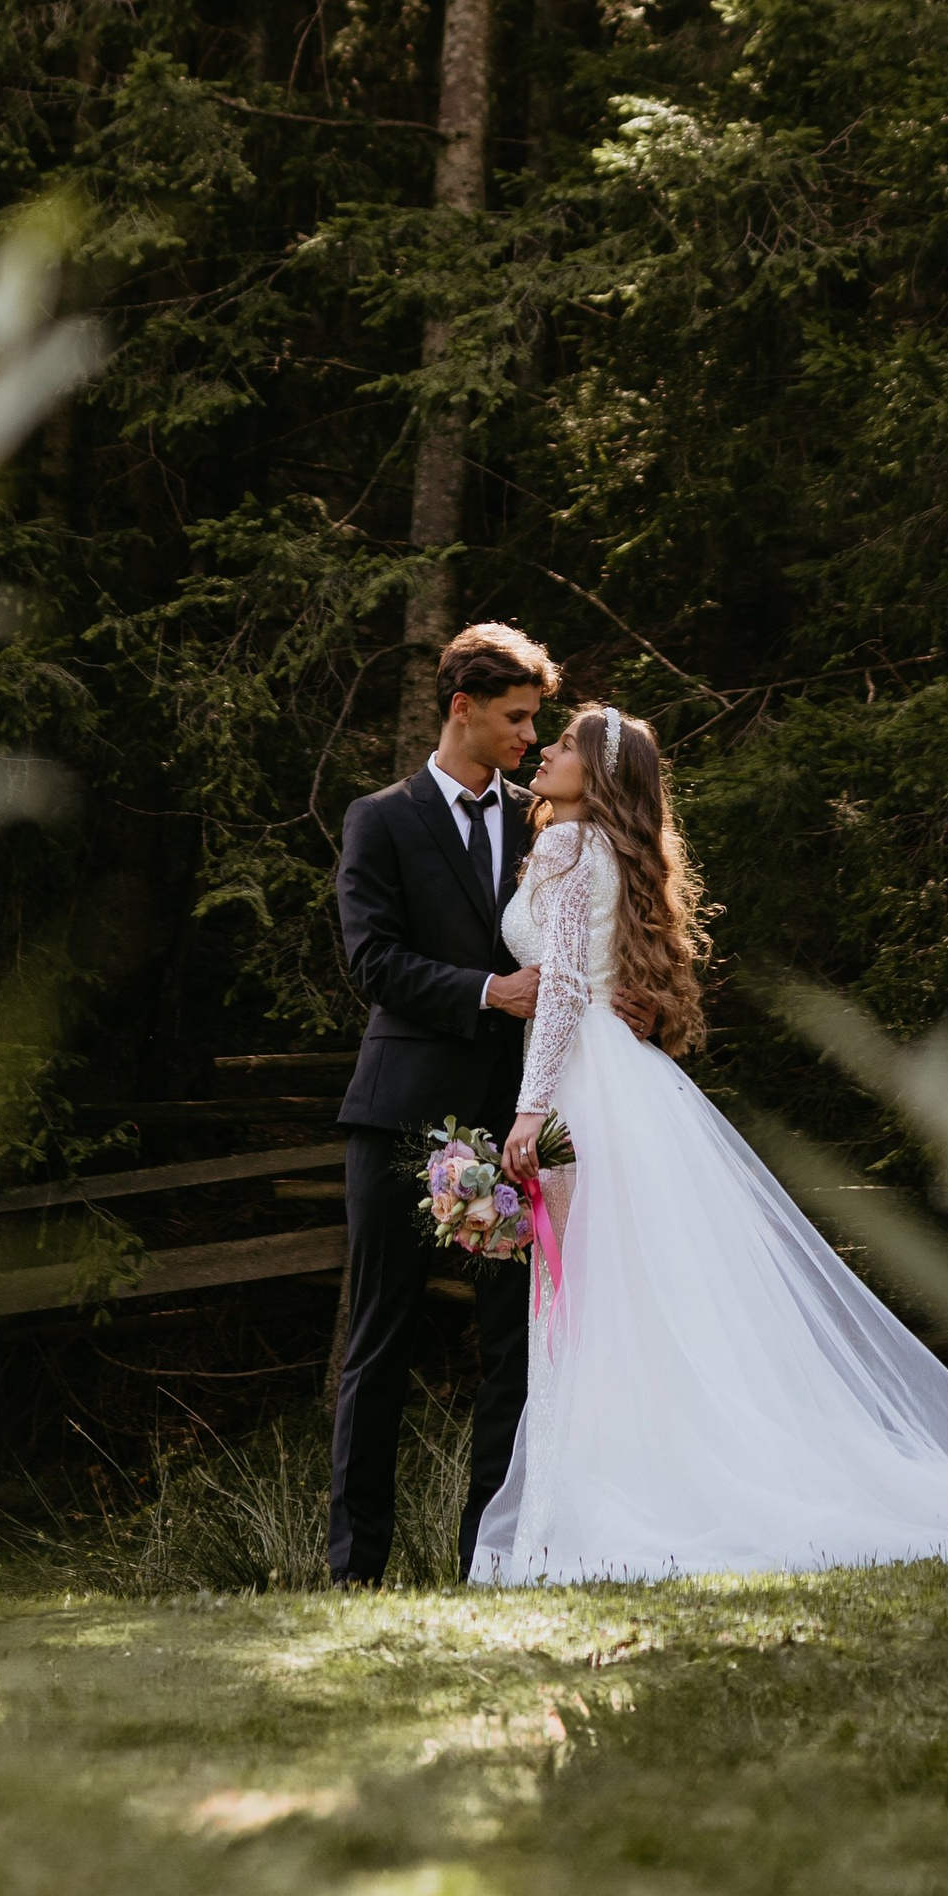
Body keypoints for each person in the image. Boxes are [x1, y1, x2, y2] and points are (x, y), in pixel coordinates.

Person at [469, 701, 948, 1586]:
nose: (548, 754)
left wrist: (528, 1112)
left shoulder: (573, 845)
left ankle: (586, 1519)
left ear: (597, 776)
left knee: (588, 1300)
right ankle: (593, 1507)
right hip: (615, 1083)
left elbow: (561, 983)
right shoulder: (599, 850)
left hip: (583, 1089)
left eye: (563, 745)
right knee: (609, 1299)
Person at [326, 619, 557, 1587]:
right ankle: (354, 1570)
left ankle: (486, 1563)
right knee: (379, 1338)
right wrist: (485, 990)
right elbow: (369, 957)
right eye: (514, 717)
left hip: (512, 1128)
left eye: (536, 719)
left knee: (513, 1349)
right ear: (460, 708)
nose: (530, 738)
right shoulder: (379, 818)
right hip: (400, 1116)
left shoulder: (547, 819)